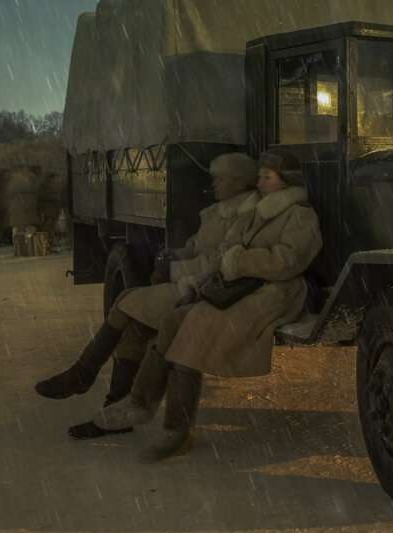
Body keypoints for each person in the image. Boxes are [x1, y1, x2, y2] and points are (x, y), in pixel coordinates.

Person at [94, 147, 322, 462]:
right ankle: (139, 402)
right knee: (174, 320)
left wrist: (240, 262)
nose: (261, 182)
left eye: (267, 176)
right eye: (260, 176)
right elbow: (229, 245)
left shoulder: (300, 214)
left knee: (194, 328)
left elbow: (290, 261)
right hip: (241, 286)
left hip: (275, 292)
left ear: (286, 181)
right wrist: (226, 259)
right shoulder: (258, 212)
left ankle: (178, 429)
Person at [34, 152, 261, 439]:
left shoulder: (247, 216)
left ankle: (84, 375)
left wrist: (177, 270)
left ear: (240, 182)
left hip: (210, 289)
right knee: (135, 322)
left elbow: (222, 262)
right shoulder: (218, 212)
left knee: (128, 304)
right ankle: (112, 406)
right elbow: (195, 247)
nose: (214, 182)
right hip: (194, 281)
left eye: (222, 177)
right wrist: (171, 256)